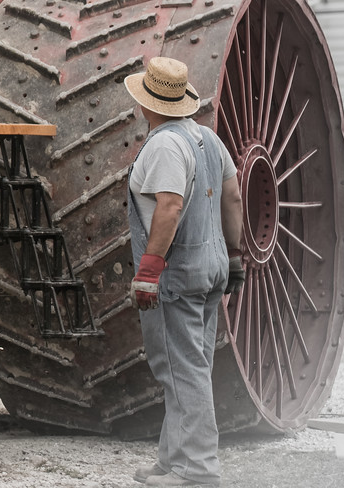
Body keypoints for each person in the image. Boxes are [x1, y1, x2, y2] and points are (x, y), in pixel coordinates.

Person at [124, 56, 246, 488]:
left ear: (147, 104)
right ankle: (172, 460)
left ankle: (196, 470)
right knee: (188, 365)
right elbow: (231, 198)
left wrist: (149, 271)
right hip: (211, 269)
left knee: (181, 369)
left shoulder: (162, 145)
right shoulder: (209, 140)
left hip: (177, 275)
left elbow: (170, 206)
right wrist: (234, 258)